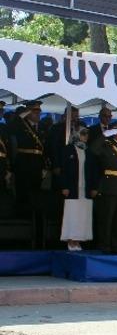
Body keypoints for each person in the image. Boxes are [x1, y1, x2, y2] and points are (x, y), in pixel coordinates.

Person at [90, 121, 117, 254]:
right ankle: (105, 245)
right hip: (110, 185)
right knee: (107, 217)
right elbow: (93, 149)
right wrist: (104, 135)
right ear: (114, 132)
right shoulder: (107, 145)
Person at [11, 100, 47, 248]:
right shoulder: (21, 125)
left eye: (39, 111)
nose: (38, 114)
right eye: (35, 111)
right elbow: (12, 125)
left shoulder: (39, 128)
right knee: (24, 196)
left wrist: (44, 166)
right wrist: (26, 112)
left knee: (35, 197)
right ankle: (21, 231)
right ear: (29, 112)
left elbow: (41, 150)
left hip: (36, 166)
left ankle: (33, 228)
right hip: (24, 166)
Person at [59, 127, 97, 251]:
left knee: (83, 215)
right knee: (72, 214)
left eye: (87, 134)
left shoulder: (88, 151)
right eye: (83, 134)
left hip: (85, 189)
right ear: (76, 134)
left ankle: (78, 240)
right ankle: (71, 239)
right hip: (72, 188)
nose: (86, 136)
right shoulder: (68, 149)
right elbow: (63, 169)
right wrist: (64, 186)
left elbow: (92, 171)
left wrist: (94, 187)